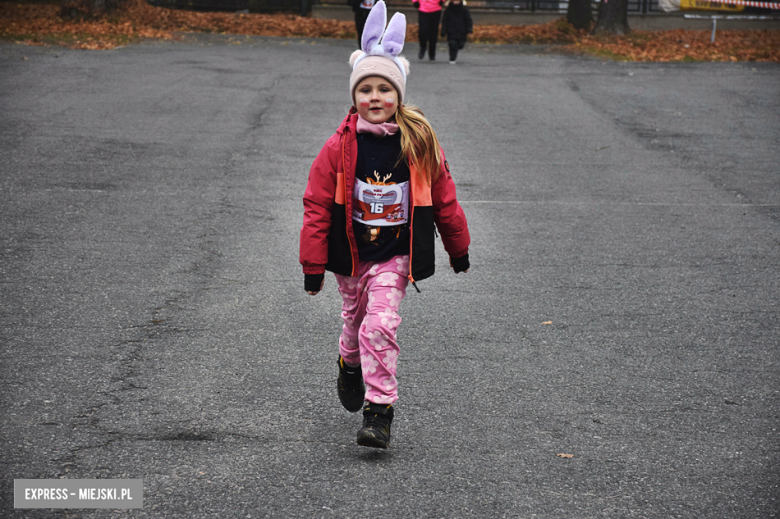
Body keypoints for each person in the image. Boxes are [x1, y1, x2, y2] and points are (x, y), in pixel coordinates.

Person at [300, 0, 470, 449]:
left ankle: (380, 412)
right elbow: (317, 206)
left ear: (399, 95)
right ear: (354, 96)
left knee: (381, 326)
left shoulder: (418, 143)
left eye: (384, 89)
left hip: (394, 258)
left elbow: (445, 198)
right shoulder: (338, 147)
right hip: (351, 257)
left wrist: (458, 248)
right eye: (365, 89)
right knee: (355, 324)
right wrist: (313, 265)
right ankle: (348, 363)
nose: (374, 97)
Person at [440, 0, 473, 64]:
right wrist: (443, 31)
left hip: (462, 31)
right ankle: (452, 58)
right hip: (451, 31)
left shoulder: (464, 10)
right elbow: (444, 21)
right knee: (452, 44)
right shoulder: (448, 10)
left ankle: (455, 49)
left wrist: (469, 30)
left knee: (460, 45)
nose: (456, 2)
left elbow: (468, 20)